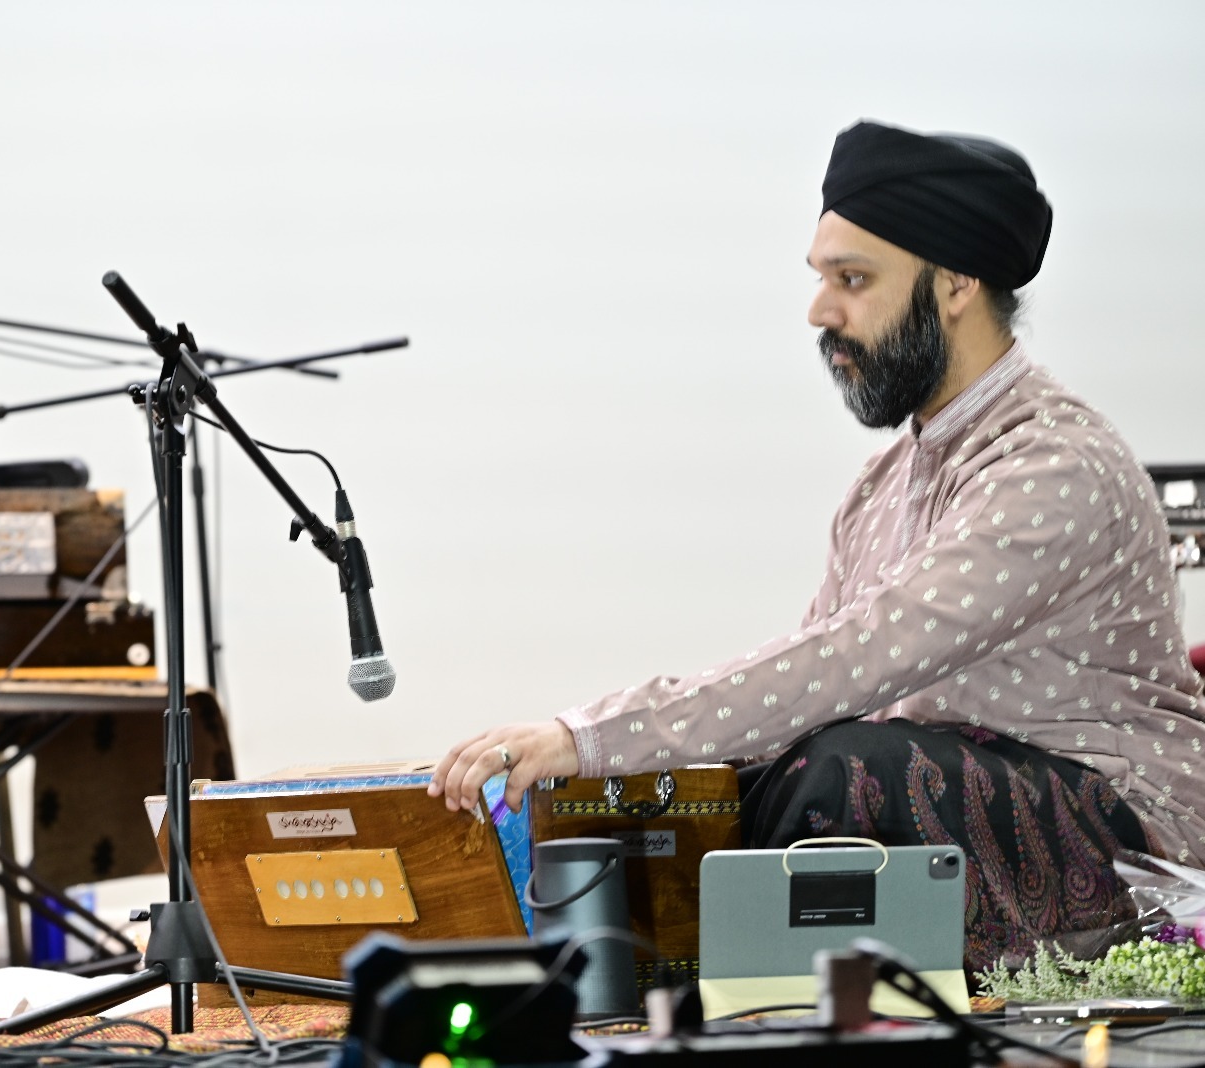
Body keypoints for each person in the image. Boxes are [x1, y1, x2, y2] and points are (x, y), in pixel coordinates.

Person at [429, 120, 1205, 970]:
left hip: (1136, 849)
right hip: (948, 806)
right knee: (701, 789)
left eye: (853, 279)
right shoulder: (881, 485)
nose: (819, 311)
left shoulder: (1056, 466)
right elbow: (807, 702)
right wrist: (612, 774)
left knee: (843, 775)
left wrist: (593, 732)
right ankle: (618, 981)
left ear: (956, 281)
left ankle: (773, 997)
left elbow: (850, 660)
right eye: (821, 277)